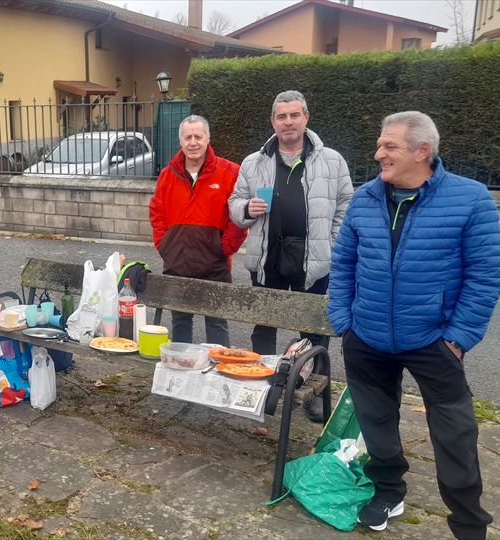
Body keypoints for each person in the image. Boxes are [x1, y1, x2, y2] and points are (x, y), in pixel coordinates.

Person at [327, 111, 500, 538]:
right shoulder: (366, 198)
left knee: (455, 434)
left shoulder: (470, 199)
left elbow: (485, 276)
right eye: (380, 144)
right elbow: (344, 264)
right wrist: (343, 322)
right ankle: (388, 492)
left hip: (433, 341)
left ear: (423, 151)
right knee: (377, 422)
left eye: (390, 146)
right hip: (365, 336)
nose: (379, 153)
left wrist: (457, 340)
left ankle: (467, 521)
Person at [229, 90, 354, 356]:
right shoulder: (253, 162)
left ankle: (313, 384)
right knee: (264, 328)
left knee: (312, 331)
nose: (288, 122)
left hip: (312, 259)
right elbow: (235, 201)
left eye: (294, 115)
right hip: (266, 258)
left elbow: (346, 205)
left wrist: (330, 245)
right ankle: (264, 383)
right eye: (282, 116)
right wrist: (247, 208)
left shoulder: (332, 161)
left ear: (305, 117)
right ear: (272, 121)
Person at [149, 114, 247, 345]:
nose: (193, 142)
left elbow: (238, 215)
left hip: (215, 265)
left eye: (198, 136)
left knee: (216, 324)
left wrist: (225, 248)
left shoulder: (229, 172)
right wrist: (165, 245)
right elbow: (157, 213)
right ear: (180, 141)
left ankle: (217, 376)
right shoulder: (167, 175)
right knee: (180, 324)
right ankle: (182, 372)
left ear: (208, 138)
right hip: (177, 264)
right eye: (187, 137)